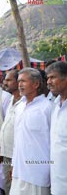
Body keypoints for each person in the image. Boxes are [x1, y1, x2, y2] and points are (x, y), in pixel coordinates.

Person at [10, 68, 52, 195]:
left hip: (38, 174)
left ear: (36, 84)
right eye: (18, 81)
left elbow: (53, 142)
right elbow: (17, 138)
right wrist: (13, 163)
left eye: (23, 81)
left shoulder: (47, 107)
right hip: (18, 172)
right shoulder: (20, 106)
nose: (19, 85)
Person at [0, 70, 21, 195]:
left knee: (14, 187)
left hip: (16, 155)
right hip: (7, 152)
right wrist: (1, 147)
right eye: (5, 80)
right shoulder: (12, 98)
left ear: (19, 82)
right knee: (8, 187)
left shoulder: (24, 102)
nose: (5, 83)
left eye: (8, 80)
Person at [46, 61, 67, 195]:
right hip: (57, 179)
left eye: (53, 77)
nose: (48, 82)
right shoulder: (55, 105)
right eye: (47, 78)